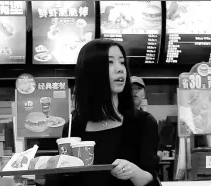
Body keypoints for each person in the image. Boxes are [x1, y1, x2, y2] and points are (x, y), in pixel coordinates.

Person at [54, 39, 160, 186]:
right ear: (91, 71)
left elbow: (151, 179)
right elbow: (66, 180)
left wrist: (133, 172)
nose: (120, 69)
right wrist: (42, 178)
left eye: (122, 62)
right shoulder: (73, 127)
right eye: (110, 62)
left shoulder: (142, 122)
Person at [130, 76, 164, 160]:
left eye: (138, 88)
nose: (135, 91)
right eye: (131, 88)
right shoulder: (117, 119)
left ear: (144, 94)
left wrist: (158, 155)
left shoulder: (148, 120)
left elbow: (158, 149)